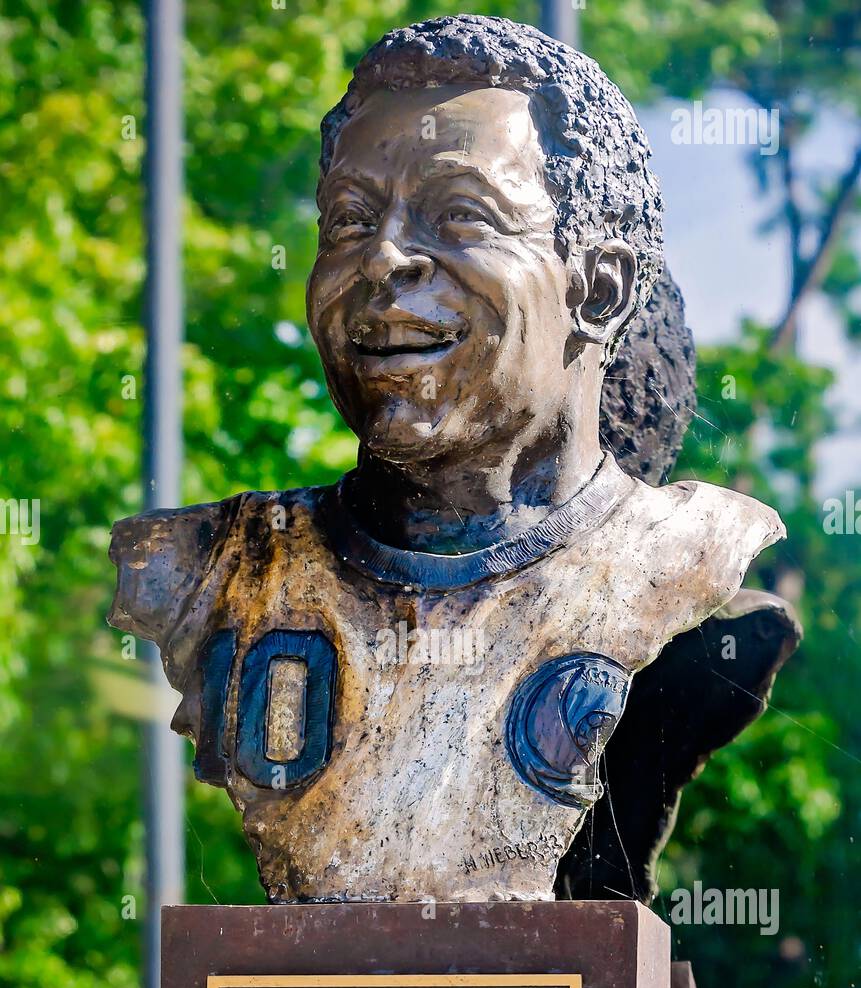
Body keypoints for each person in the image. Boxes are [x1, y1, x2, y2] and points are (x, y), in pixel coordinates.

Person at [109, 16, 788, 904]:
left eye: (460, 214)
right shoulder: (202, 573)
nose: (383, 258)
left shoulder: (686, 563)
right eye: (349, 220)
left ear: (599, 288)